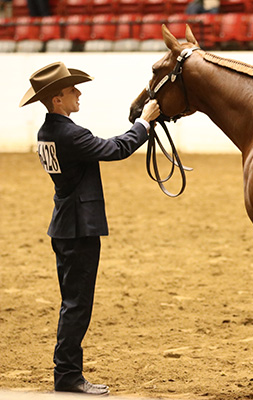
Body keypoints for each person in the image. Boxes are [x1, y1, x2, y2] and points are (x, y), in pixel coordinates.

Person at [19, 62, 161, 395]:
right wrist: (144, 123)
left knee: (73, 302)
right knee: (77, 304)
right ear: (57, 99)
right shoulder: (70, 133)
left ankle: (66, 371)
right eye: (71, 90)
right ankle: (67, 374)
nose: (78, 93)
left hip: (65, 224)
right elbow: (116, 149)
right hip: (79, 228)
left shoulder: (48, 132)